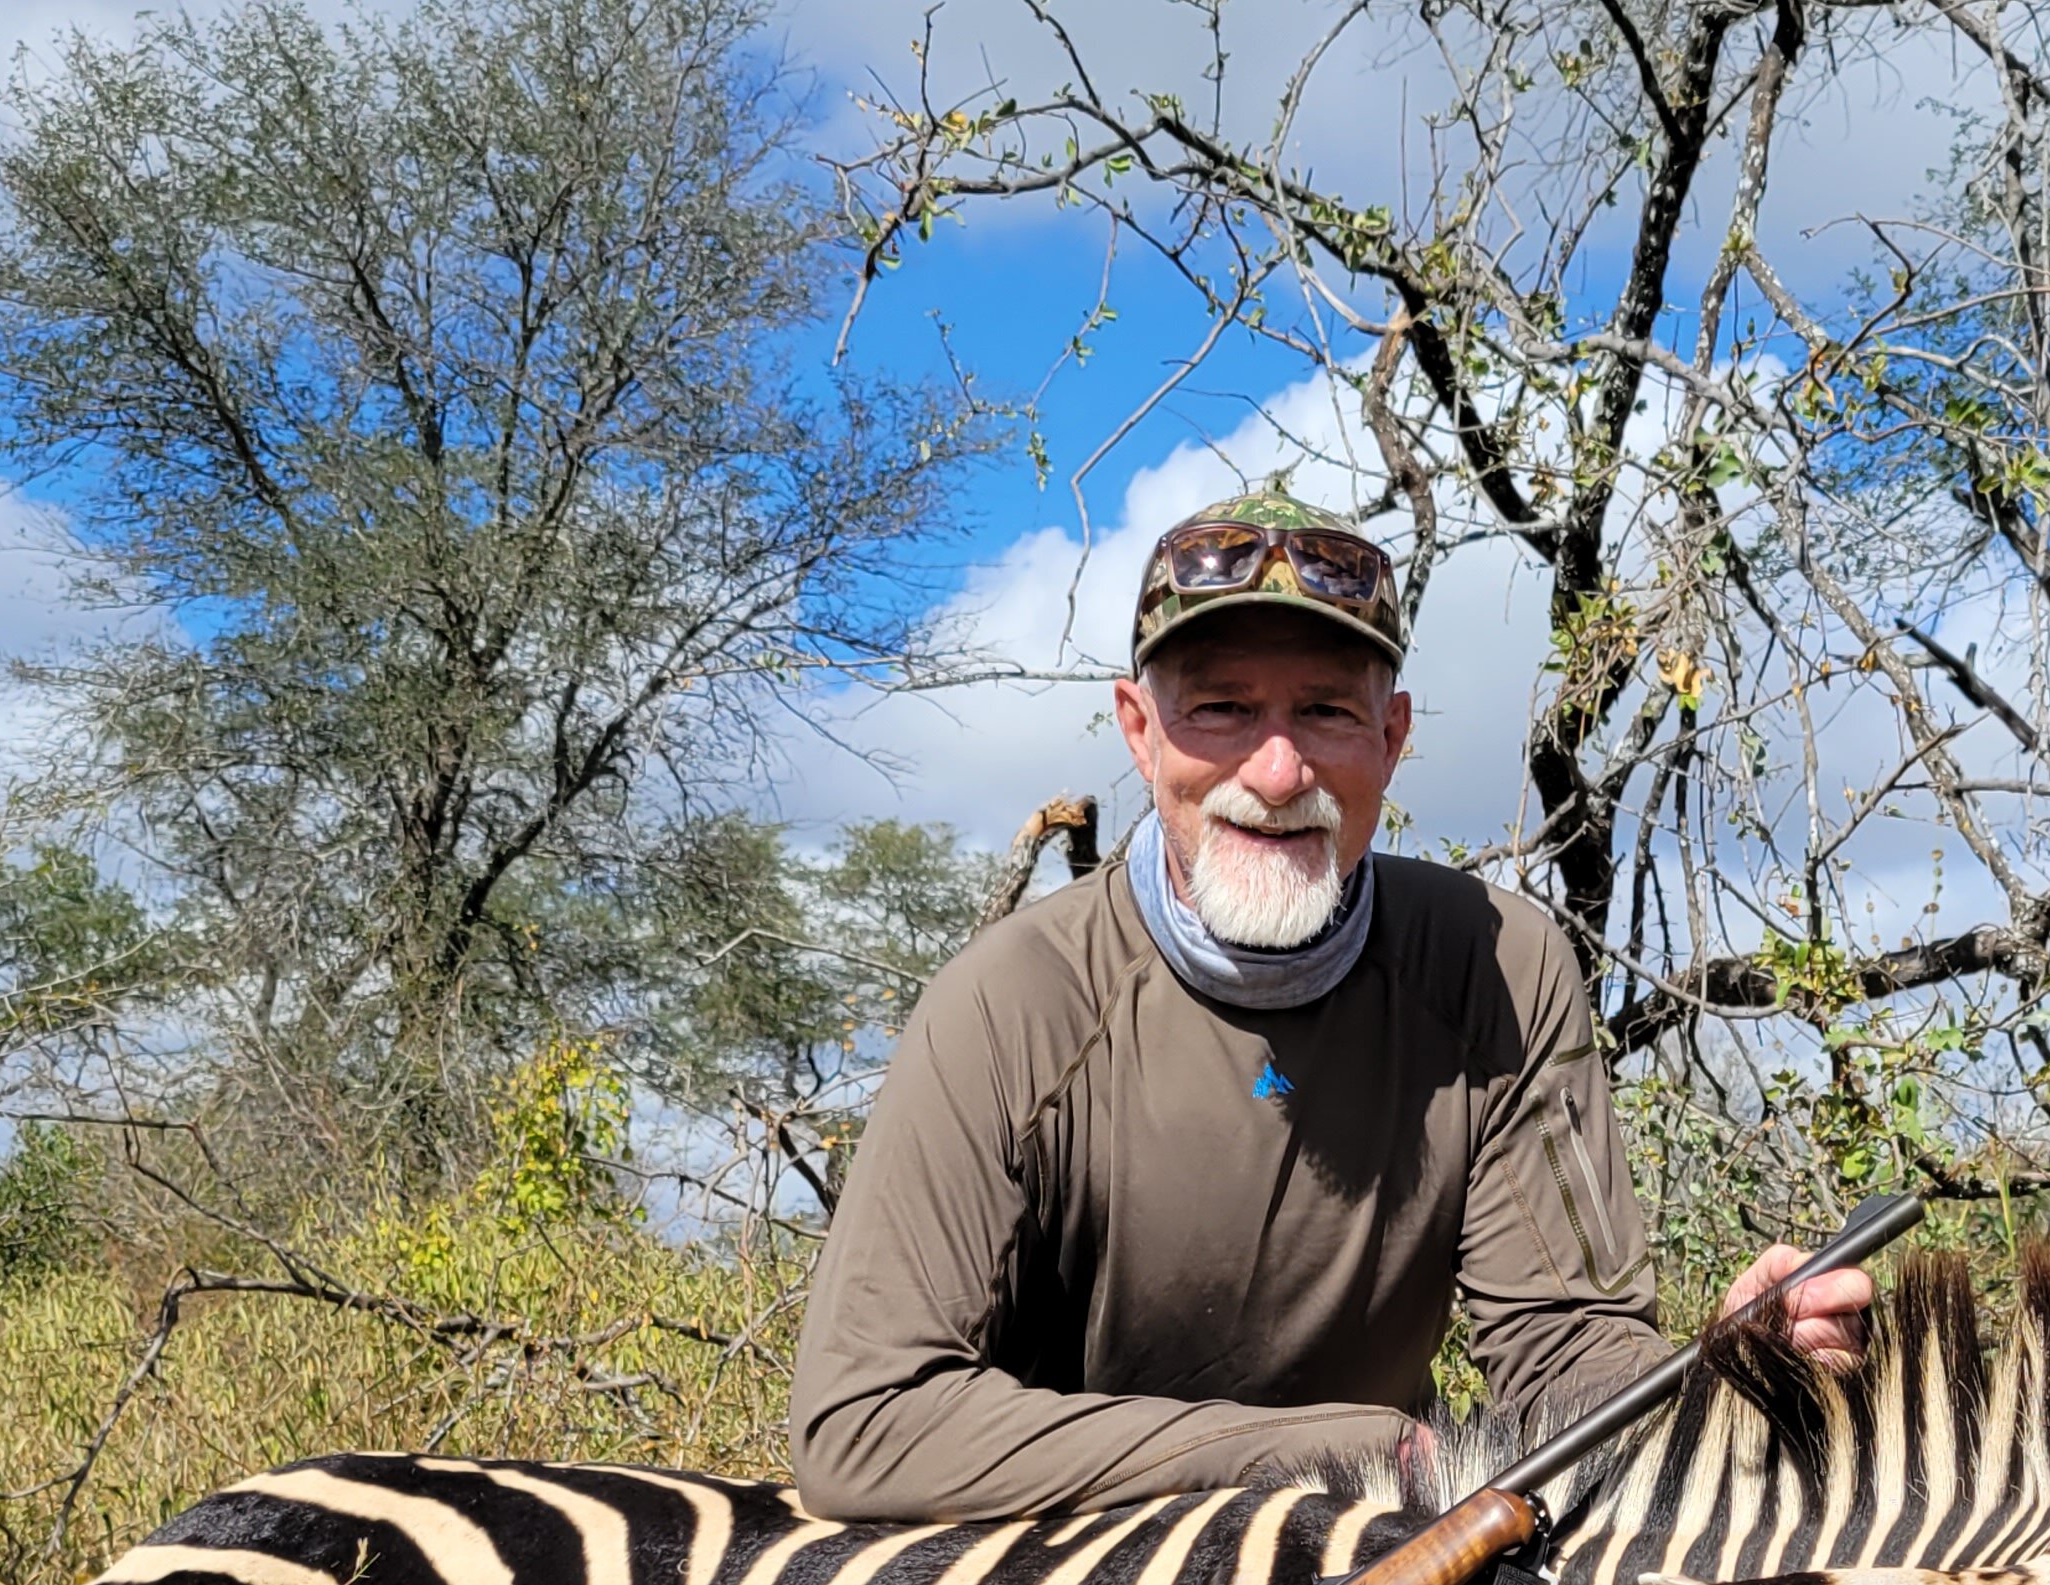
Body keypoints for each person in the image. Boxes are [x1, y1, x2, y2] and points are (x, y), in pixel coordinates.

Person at [787, 484, 1869, 1522]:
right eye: (1220, 708)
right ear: (1138, 729)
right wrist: (1336, 1451)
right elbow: (864, 1423)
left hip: (1367, 1566)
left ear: (1391, 738)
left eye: (1324, 713)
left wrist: (1711, 1387)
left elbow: (1566, 1359)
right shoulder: (1010, 1001)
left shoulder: (1497, 967)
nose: (1274, 769)